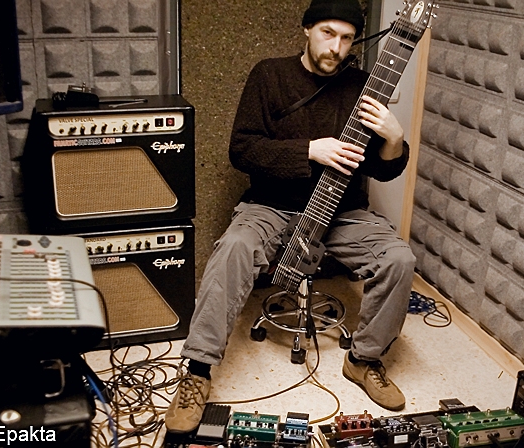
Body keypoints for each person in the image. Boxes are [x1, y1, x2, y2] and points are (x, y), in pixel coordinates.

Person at [165, 0, 416, 433]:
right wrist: (309, 150)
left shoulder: (363, 85)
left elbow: (382, 168)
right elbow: (242, 150)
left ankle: (364, 360)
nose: (336, 47)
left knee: (399, 259)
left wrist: (395, 140)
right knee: (233, 248)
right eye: (327, 33)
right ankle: (197, 371)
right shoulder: (269, 75)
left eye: (347, 38)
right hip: (271, 204)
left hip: (341, 209)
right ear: (307, 29)